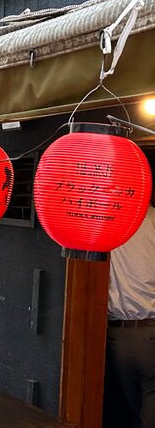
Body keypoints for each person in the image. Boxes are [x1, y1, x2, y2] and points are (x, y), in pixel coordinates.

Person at [104, 181, 155, 427]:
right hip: (150, 327)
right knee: (151, 397)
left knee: (125, 404)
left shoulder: (108, 222)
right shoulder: (153, 220)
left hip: (116, 333)